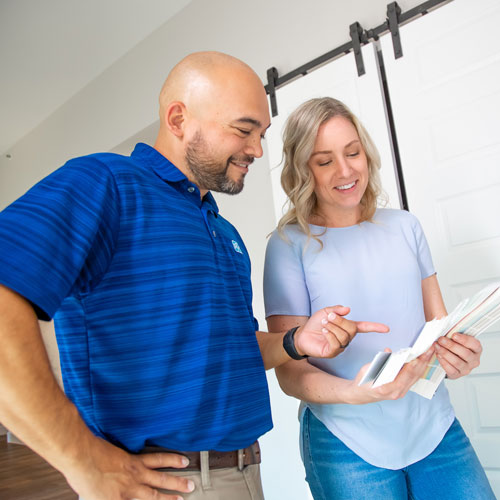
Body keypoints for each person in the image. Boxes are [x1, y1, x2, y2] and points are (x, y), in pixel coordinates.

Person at [0, 53, 392, 500]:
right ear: (178, 118)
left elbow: (236, 349)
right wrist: (81, 458)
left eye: (261, 134)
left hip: (244, 471)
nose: (257, 149)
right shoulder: (105, 182)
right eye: (244, 130)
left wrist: (295, 341)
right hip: (165, 483)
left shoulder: (222, 230)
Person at [263, 97, 495, 500]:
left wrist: (459, 357)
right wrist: (357, 393)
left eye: (352, 152)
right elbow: (290, 373)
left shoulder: (405, 227)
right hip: (344, 439)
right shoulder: (288, 246)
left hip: (433, 426)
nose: (346, 170)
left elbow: (438, 328)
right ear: (303, 170)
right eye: (324, 161)